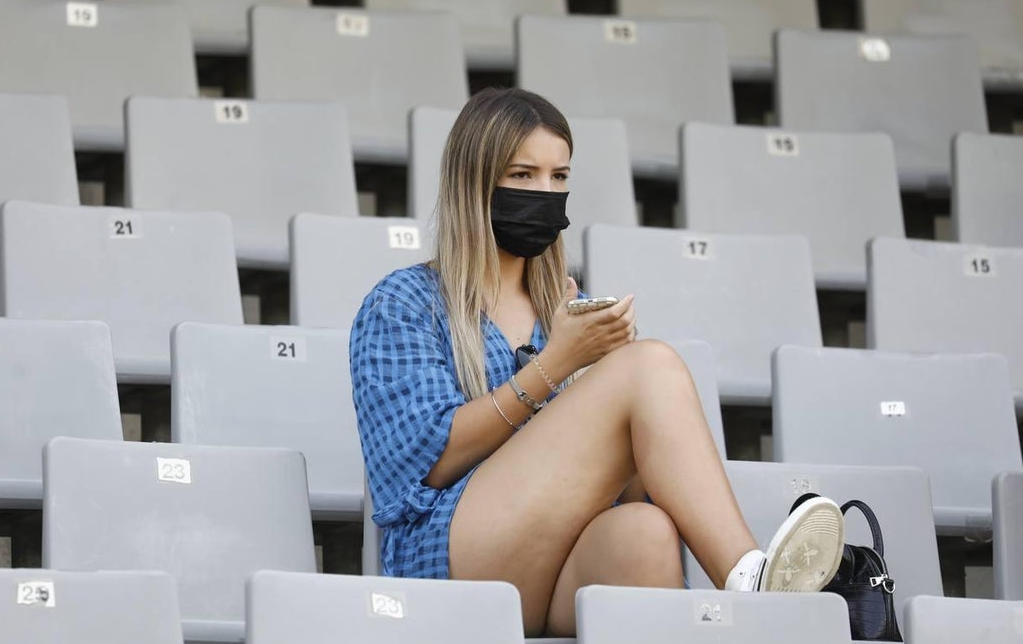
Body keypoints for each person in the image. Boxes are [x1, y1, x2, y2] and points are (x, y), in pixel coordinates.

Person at [350, 88, 844, 637]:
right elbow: (426, 463)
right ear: (475, 182)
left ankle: (753, 593)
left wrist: (603, 402)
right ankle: (754, 591)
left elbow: (616, 494)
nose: (545, 192)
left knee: (646, 530)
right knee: (647, 366)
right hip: (447, 562)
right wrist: (557, 366)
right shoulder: (405, 301)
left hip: (552, 572)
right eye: (523, 175)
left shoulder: (563, 310)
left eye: (559, 177)